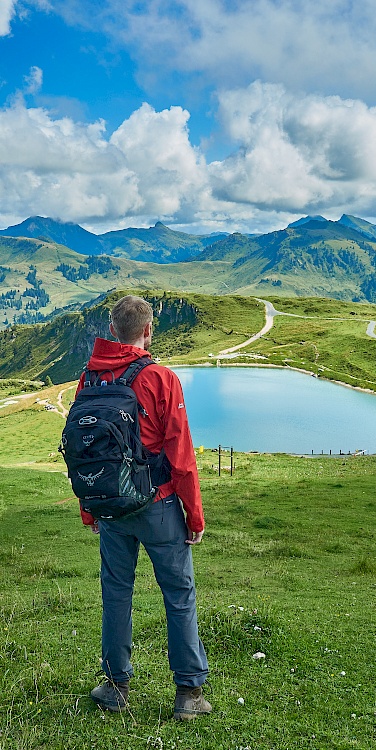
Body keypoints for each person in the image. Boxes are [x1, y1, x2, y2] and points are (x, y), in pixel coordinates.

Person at [79, 295, 211, 719]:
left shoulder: (89, 378)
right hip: (158, 506)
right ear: (148, 331)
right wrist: (194, 514)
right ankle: (188, 695)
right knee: (179, 595)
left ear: (112, 330)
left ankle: (116, 686)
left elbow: (84, 451)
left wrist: (91, 508)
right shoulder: (160, 378)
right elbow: (181, 453)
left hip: (112, 508)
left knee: (116, 593)